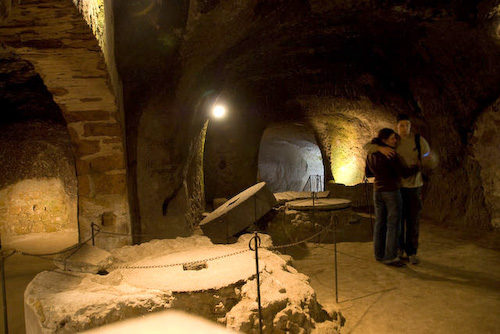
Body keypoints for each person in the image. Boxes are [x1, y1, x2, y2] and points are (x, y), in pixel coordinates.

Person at [376, 114, 433, 265]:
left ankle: (412, 252)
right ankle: (400, 249)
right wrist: (380, 148)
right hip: (398, 188)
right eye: (401, 125)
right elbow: (370, 146)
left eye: (407, 125)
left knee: (413, 221)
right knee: (398, 221)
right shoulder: (393, 141)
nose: (404, 128)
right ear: (397, 127)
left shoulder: (418, 141)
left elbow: (428, 155)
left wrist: (426, 160)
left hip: (414, 187)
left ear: (410, 126)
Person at [365, 128, 419, 267]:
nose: (395, 141)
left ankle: (379, 254)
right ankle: (390, 256)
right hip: (391, 191)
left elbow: (369, 173)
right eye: (392, 138)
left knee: (379, 224)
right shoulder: (390, 154)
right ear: (384, 140)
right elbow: (404, 172)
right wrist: (417, 167)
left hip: (377, 190)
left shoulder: (371, 153)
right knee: (393, 224)